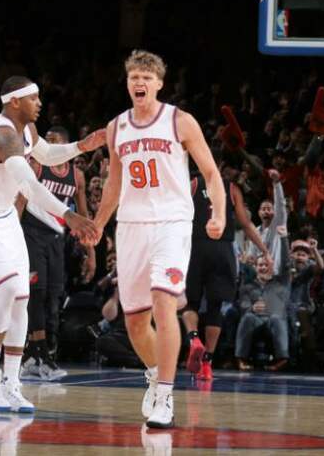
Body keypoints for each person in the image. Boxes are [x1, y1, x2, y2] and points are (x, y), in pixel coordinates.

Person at [0, 76, 100, 414]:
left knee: (22, 297)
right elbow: (29, 185)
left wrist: (81, 146)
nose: (40, 103)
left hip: (1, 217)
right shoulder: (3, 135)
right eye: (34, 98)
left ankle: (11, 384)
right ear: (14, 102)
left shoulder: (28, 132)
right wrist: (70, 217)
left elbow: (44, 153)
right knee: (7, 288)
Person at [93, 50, 226, 429]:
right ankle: (155, 374)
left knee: (164, 304)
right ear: (127, 82)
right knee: (134, 321)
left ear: (159, 84)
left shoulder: (179, 121)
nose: (140, 83)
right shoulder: (116, 127)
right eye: (134, 76)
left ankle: (165, 395)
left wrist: (217, 214)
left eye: (147, 78)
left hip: (172, 222)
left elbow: (212, 173)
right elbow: (114, 184)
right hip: (131, 226)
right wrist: (99, 224)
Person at [18, 126, 96, 381]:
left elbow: (83, 218)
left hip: (56, 240)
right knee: (36, 294)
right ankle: (39, 356)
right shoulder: (36, 167)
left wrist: (91, 254)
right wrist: (13, 238)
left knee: (53, 297)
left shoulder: (78, 176)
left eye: (52, 142)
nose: (46, 146)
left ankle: (36, 354)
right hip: (30, 233)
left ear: (64, 147)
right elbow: (20, 202)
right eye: (45, 141)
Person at [182, 165, 269, 382]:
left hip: (196, 246)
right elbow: (246, 224)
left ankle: (194, 339)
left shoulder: (193, 185)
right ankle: (207, 365)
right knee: (215, 307)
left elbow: (179, 216)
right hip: (223, 249)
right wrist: (265, 251)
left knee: (190, 303)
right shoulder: (231, 189)